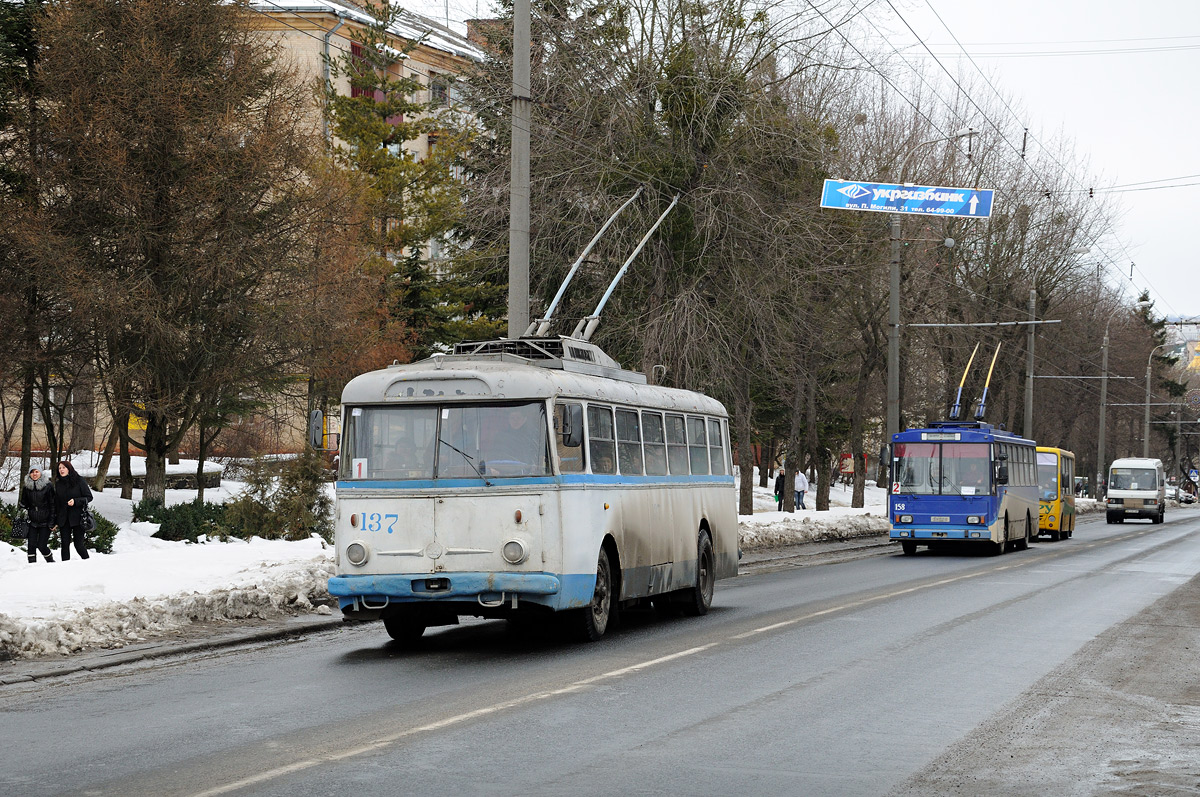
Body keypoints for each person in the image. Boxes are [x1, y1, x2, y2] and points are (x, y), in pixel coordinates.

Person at [52, 460, 93, 561]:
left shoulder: (79, 480)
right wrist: (55, 520)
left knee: (78, 545)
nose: (61, 470)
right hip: (64, 518)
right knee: (64, 544)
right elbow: (57, 503)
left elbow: (89, 497)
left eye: (63, 467)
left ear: (69, 469)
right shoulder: (58, 483)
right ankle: (65, 568)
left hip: (78, 518)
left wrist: (76, 501)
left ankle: (88, 563)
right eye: (59, 468)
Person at [18, 466, 56, 563]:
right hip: (32, 521)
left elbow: (53, 504)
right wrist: (22, 508)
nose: (34, 474)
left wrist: (52, 521)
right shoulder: (27, 487)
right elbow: (24, 502)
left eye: (36, 471)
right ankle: (32, 567)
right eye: (32, 472)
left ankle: (51, 562)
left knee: (41, 545)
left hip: (45, 520)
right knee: (31, 545)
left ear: (40, 473)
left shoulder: (48, 486)